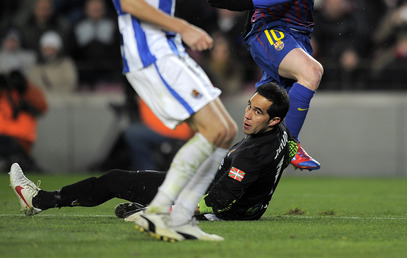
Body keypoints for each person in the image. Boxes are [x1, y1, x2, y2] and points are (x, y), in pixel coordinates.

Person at [100, 0, 237, 242]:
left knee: (225, 132)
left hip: (165, 50)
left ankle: (178, 216)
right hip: (152, 51)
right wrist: (183, 27)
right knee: (215, 130)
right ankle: (163, 211)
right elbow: (128, 0)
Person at [10, 82, 294, 222]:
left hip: (201, 195)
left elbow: (217, 202)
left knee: (113, 181)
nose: (247, 115)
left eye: (257, 112)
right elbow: (289, 146)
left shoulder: (251, 156)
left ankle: (40, 200)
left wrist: (159, 210)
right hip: (222, 195)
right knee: (120, 180)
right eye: (249, 105)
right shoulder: (280, 133)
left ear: (273, 120)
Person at [207, 0, 323, 171]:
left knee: (265, 125)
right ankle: (291, 146)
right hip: (268, 30)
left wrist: (241, 4)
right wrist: (252, 14)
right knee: (311, 72)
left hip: (298, 36)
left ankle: (219, 176)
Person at [0, 69, 48, 172]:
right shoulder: (6, 94)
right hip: (6, 136)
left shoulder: (27, 93)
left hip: (20, 138)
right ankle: (26, 164)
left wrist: (25, 86)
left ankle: (26, 164)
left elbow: (42, 106)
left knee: (10, 147)